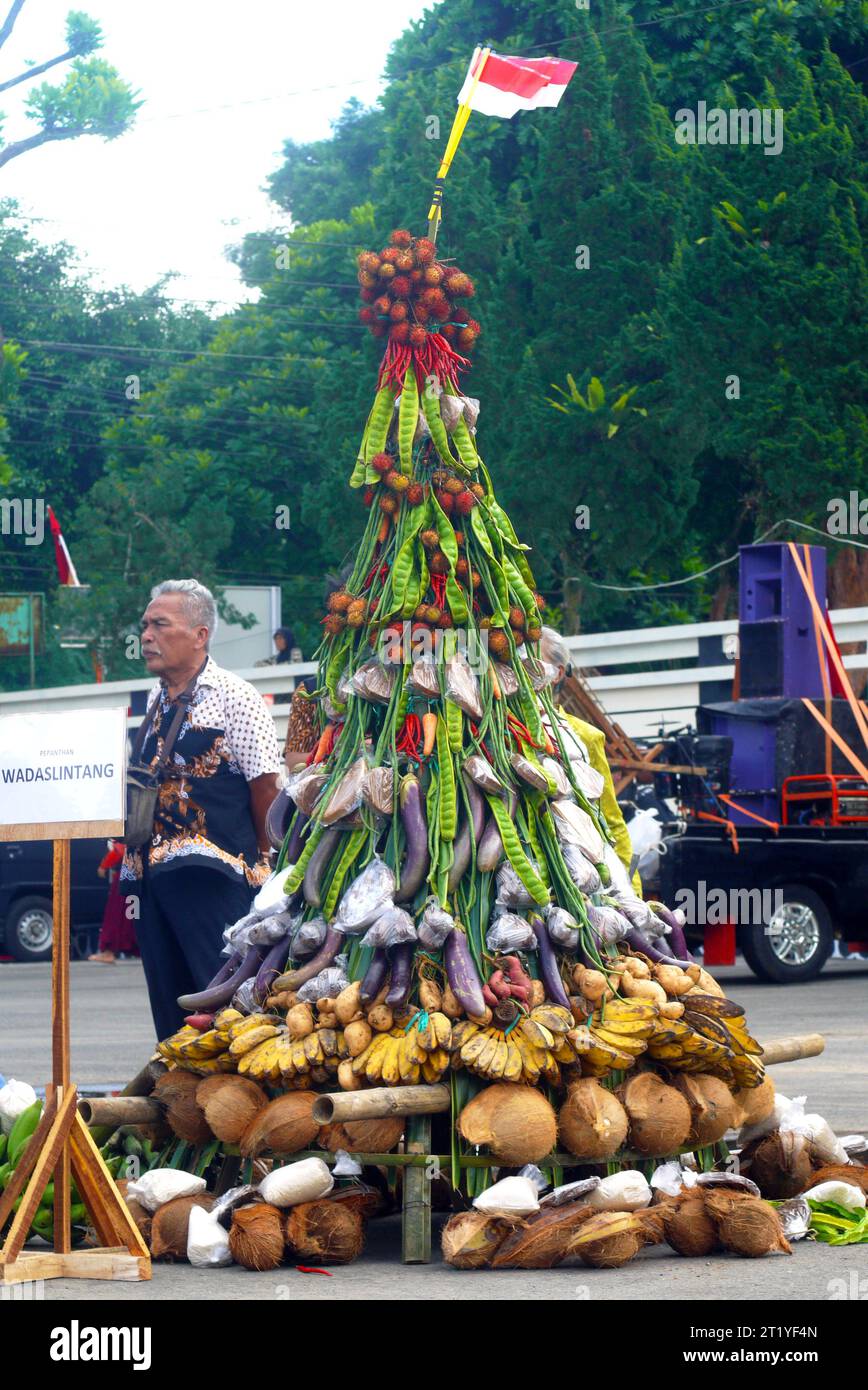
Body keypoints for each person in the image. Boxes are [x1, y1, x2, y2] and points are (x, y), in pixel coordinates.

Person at [122, 579, 283, 1042]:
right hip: (151, 881)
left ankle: (242, 1102)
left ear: (200, 634)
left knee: (221, 1003)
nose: (146, 636)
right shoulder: (155, 700)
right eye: (145, 626)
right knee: (170, 1008)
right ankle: (183, 1103)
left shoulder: (236, 696)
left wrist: (265, 868)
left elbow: (266, 787)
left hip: (214, 880)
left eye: (159, 625)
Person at [539, 626, 642, 894]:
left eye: (532, 661)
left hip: (578, 876)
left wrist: (633, 894)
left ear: (557, 674)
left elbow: (609, 817)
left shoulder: (583, 736)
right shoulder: (501, 730)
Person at [88, 839, 138, 963]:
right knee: (133, 913)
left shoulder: (126, 829)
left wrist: (104, 865)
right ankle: (134, 947)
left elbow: (120, 850)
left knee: (116, 912)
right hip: (138, 872)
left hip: (126, 873)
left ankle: (109, 951)